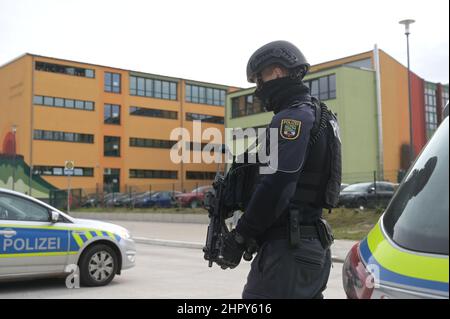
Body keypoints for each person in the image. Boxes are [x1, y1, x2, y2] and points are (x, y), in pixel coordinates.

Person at [218, 40, 340, 299]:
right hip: (311, 246)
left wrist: (241, 236)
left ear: (276, 71)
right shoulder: (321, 116)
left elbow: (278, 186)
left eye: (259, 79)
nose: (259, 89)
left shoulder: (292, 119)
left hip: (288, 253)